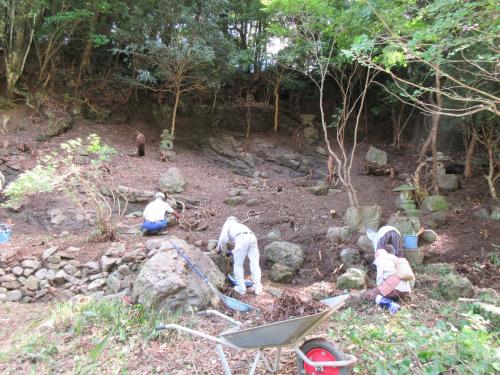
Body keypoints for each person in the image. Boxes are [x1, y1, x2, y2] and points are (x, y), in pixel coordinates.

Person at [216, 216, 263, 295]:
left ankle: (241, 289)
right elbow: (239, 244)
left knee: (238, 265)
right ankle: (257, 288)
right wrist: (232, 251)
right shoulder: (240, 226)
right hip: (252, 237)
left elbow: (223, 238)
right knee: (255, 263)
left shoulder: (228, 223)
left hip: (241, 238)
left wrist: (219, 247)